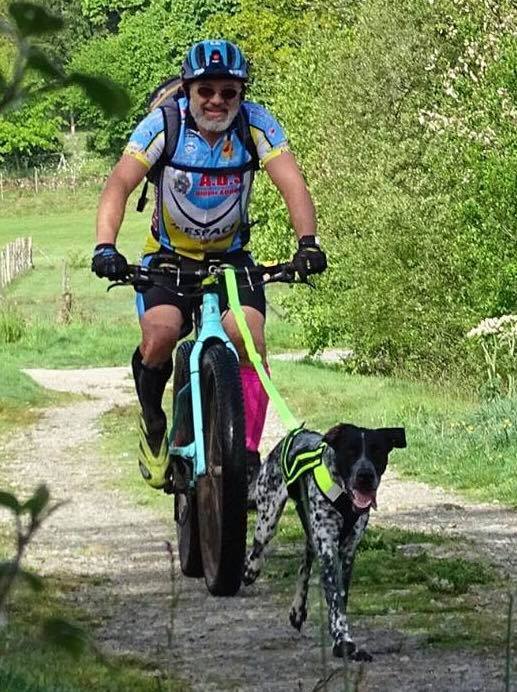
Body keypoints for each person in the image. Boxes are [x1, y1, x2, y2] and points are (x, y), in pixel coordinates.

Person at [92, 39, 327, 499]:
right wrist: (105, 246)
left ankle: (247, 454)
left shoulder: (256, 125)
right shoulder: (165, 123)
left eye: (228, 91)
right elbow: (119, 183)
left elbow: (292, 182)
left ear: (241, 94)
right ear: (188, 89)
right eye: (206, 91)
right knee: (159, 337)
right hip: (168, 257)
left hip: (231, 259)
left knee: (249, 341)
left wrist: (308, 243)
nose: (216, 100)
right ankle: (155, 421)